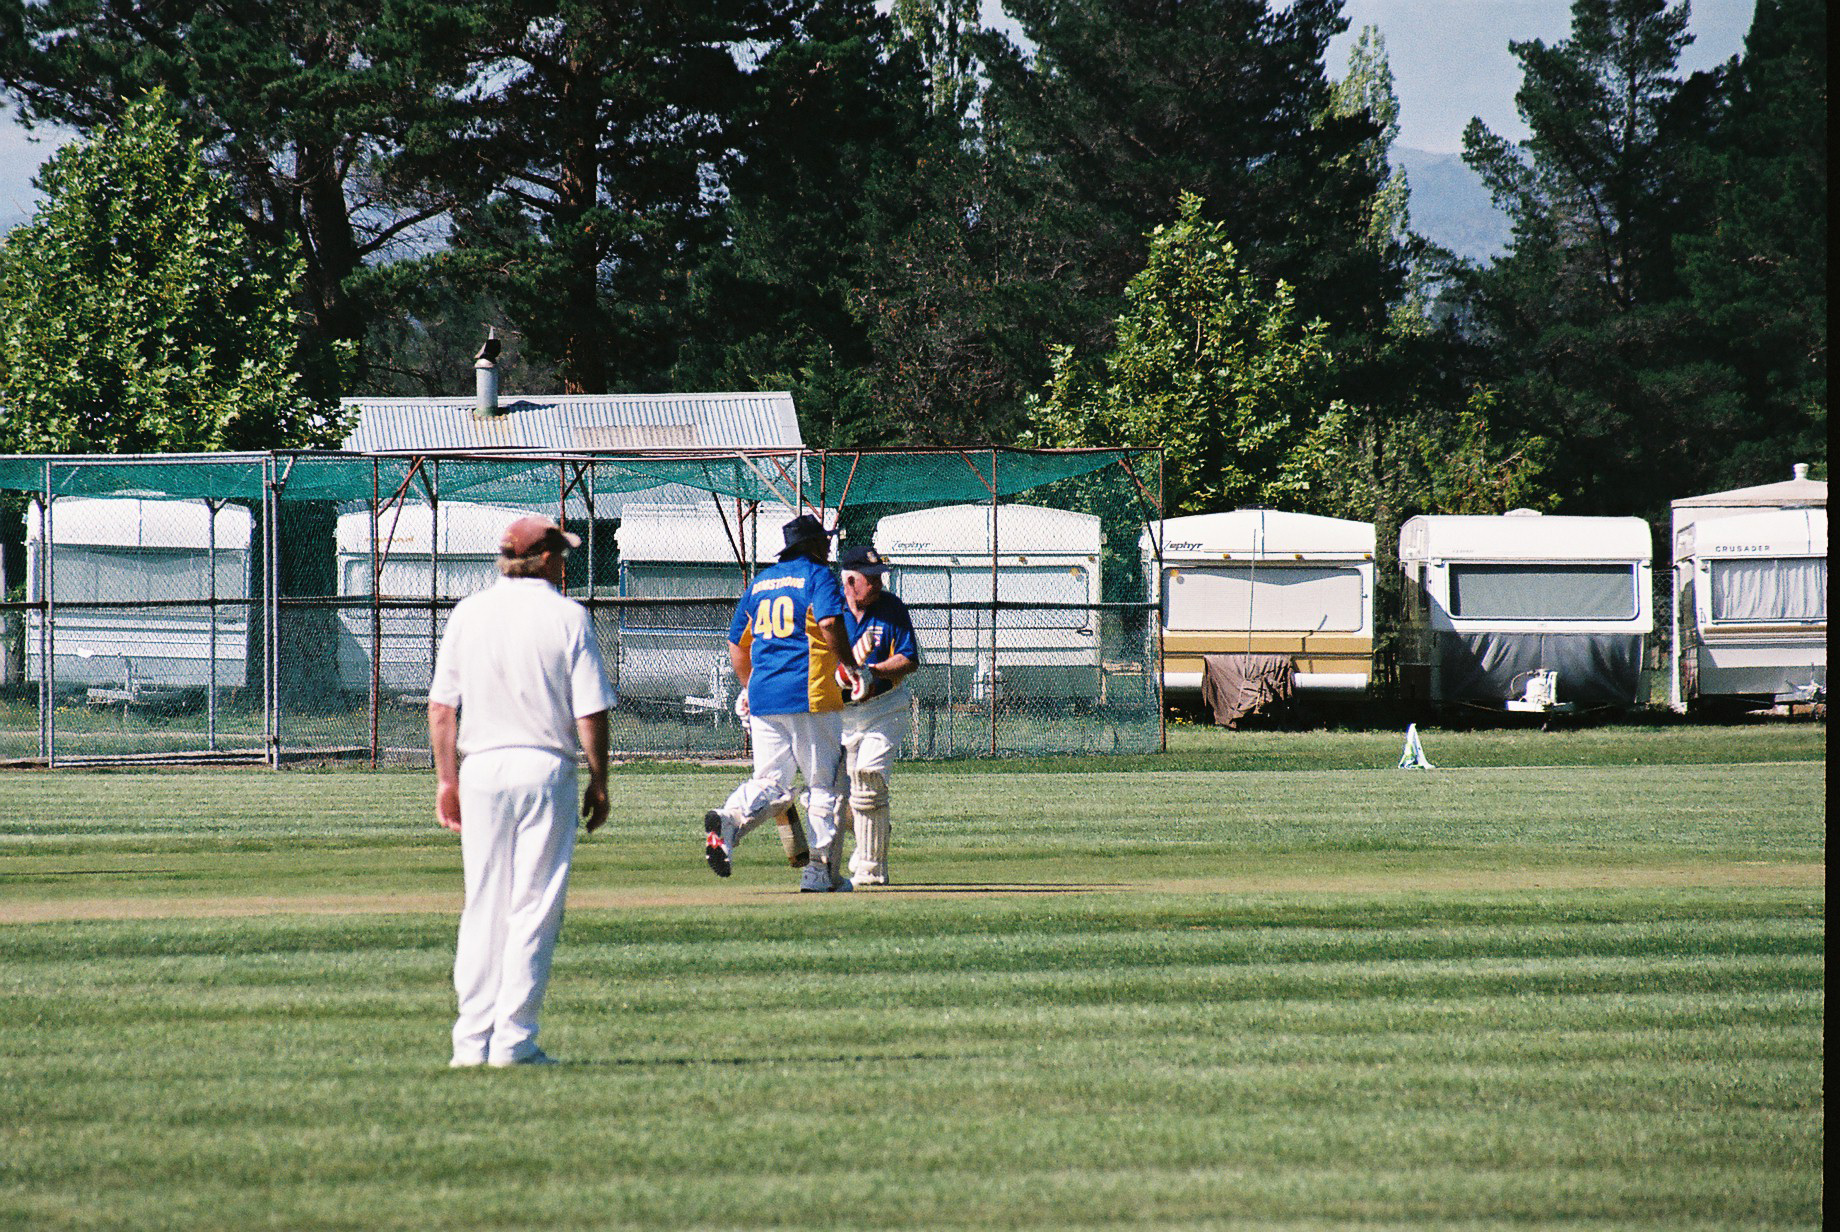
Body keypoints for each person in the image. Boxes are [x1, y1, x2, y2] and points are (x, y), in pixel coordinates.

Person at [428, 514, 613, 1068]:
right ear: (548, 558)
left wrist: (446, 780)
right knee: (533, 907)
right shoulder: (568, 615)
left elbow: (442, 709)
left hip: (482, 769)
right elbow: (589, 711)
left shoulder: (468, 612)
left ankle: (470, 1044)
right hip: (543, 767)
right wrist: (600, 779)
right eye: (562, 555)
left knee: (483, 904)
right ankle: (513, 1042)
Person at [703, 513, 859, 892]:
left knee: (770, 782)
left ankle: (729, 818)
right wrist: (852, 666)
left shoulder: (760, 583)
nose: (828, 545)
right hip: (810, 693)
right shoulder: (818, 575)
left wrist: (749, 687)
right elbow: (828, 623)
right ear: (811, 545)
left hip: (765, 696)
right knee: (823, 786)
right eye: (824, 540)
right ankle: (818, 873)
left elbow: (737, 644)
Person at [834, 545, 920, 887]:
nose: (878, 583)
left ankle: (871, 870)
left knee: (868, 782)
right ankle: (875, 830)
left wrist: (873, 673)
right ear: (849, 581)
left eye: (879, 576)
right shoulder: (829, 610)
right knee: (838, 799)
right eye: (870, 578)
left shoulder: (891, 607)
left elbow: (909, 659)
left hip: (885, 707)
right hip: (840, 715)